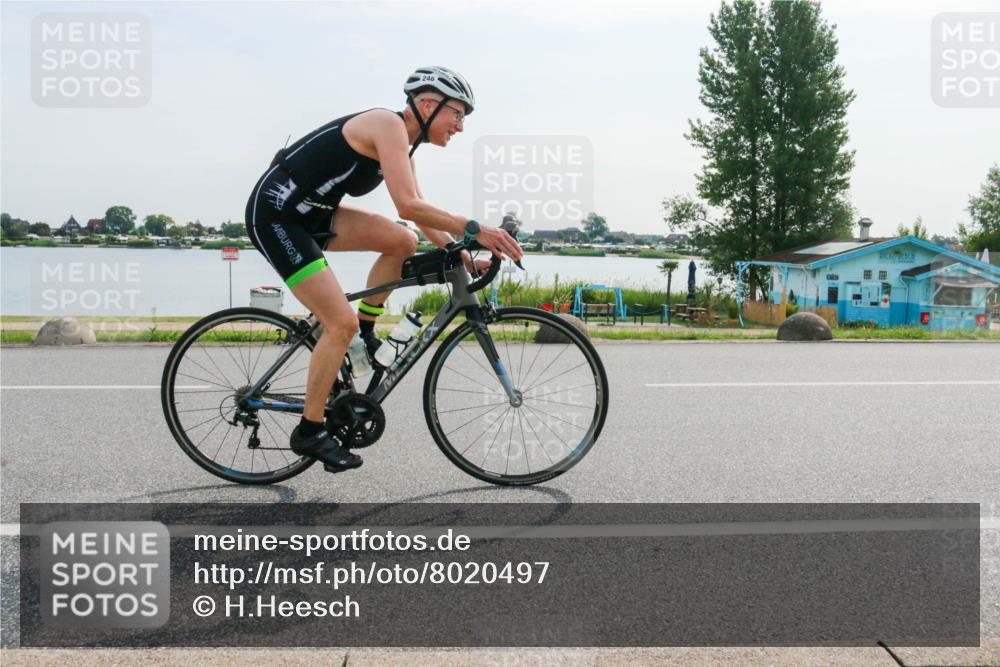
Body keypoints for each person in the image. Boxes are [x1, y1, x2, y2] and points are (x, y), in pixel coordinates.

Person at [244, 66, 523, 473]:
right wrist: (475, 229)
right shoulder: (385, 124)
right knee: (338, 323)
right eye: (458, 114)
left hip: (315, 215)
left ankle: (367, 332)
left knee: (403, 241)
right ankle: (310, 430)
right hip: (278, 216)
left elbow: (420, 214)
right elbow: (406, 206)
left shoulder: (406, 145)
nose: (460, 126)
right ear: (428, 105)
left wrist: (461, 254)